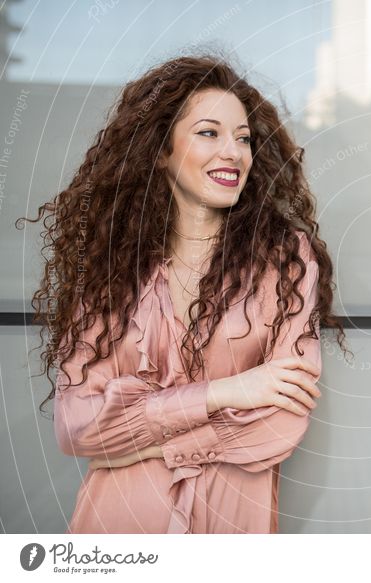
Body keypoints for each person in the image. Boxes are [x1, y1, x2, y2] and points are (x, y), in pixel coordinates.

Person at [16, 53, 350, 533]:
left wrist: (145, 439)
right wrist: (227, 391)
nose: (233, 153)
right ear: (160, 150)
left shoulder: (286, 259)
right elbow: (76, 426)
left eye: (243, 138)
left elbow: (278, 423)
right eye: (209, 133)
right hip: (118, 531)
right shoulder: (112, 268)